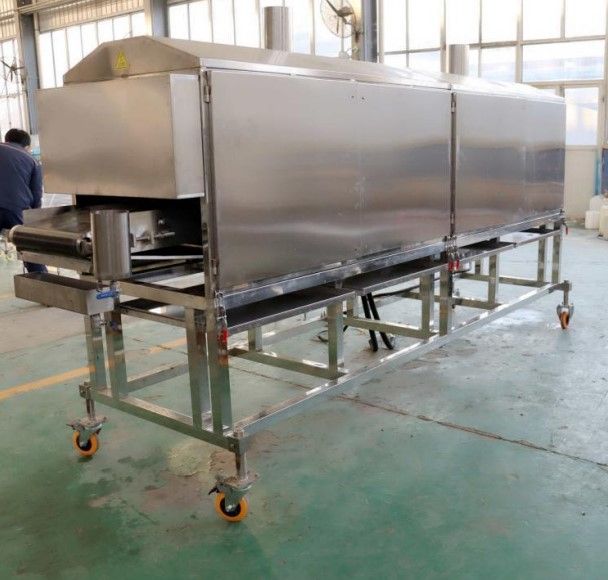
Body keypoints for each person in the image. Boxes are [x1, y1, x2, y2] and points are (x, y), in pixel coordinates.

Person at [0, 128, 47, 273]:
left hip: (12, 206)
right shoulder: (32, 160)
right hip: (15, 209)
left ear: (7, 140)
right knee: (29, 248)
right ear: (26, 146)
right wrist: (33, 220)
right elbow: (36, 194)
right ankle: (40, 278)